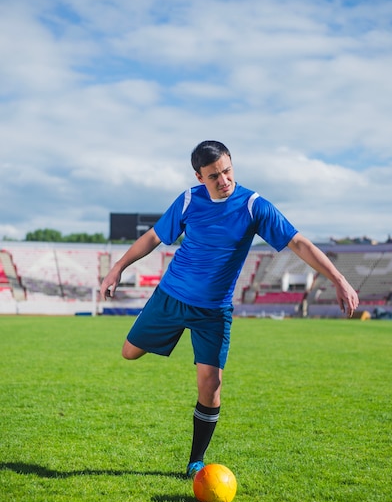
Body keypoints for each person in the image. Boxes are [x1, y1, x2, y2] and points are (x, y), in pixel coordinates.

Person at [100, 140, 359, 478]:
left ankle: (196, 461)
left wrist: (339, 279)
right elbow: (153, 237)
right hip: (172, 297)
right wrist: (118, 266)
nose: (223, 180)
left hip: (214, 311)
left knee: (211, 385)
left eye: (226, 171)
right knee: (129, 353)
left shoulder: (253, 206)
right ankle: (171, 336)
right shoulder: (189, 200)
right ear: (199, 176)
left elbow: (298, 242)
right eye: (213, 176)